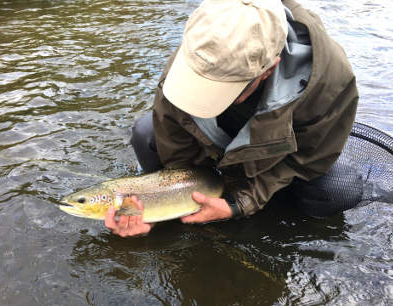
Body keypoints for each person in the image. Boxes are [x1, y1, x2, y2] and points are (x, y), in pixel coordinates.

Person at [105, 0, 358, 237]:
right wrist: (162, 207)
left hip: (274, 163)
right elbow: (176, 145)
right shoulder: (199, 47)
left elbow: (306, 162)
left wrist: (239, 204)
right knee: (145, 134)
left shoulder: (330, 82)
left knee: (333, 191)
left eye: (221, 89)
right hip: (211, 153)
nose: (201, 97)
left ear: (268, 69)